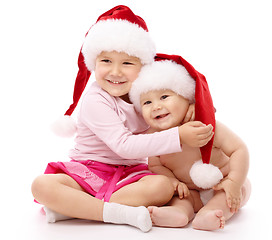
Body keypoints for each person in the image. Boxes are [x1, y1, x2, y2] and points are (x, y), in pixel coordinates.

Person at [31, 6, 214, 232]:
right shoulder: (95, 99)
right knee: (42, 185)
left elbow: (173, 108)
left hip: (131, 176)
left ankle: (76, 209)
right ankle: (116, 213)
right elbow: (124, 145)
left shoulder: (147, 95)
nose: (115, 72)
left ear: (143, 66)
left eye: (127, 63)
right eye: (106, 61)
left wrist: (190, 109)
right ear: (93, 63)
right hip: (89, 171)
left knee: (162, 186)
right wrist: (178, 135)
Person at [129, 53, 251, 231]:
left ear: (187, 98)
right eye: (147, 102)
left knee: (232, 194)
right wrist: (172, 181)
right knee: (179, 198)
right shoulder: (154, 136)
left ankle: (209, 214)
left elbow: (239, 149)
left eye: (164, 97)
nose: (156, 106)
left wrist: (234, 180)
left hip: (223, 181)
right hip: (189, 190)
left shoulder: (205, 124)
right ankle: (178, 214)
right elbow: (155, 166)